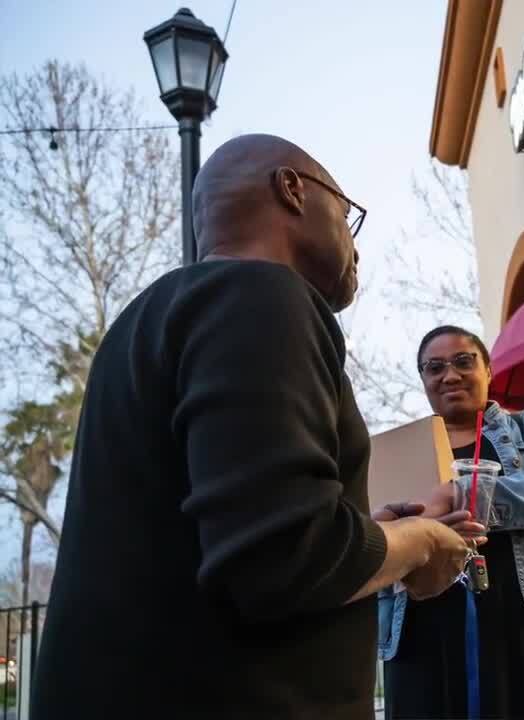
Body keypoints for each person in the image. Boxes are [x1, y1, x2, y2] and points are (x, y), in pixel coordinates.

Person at [33, 134, 475, 720]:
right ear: (292, 189)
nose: (355, 246)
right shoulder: (262, 295)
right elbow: (284, 560)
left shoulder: (138, 326)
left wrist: (364, 535)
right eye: (348, 216)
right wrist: (419, 545)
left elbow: (235, 545)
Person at [377, 325, 524, 720]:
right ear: (424, 380)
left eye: (464, 361)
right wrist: (420, 532)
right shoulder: (400, 448)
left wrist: (460, 498)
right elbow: (378, 530)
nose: (449, 375)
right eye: (434, 367)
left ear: (488, 370)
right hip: (423, 630)